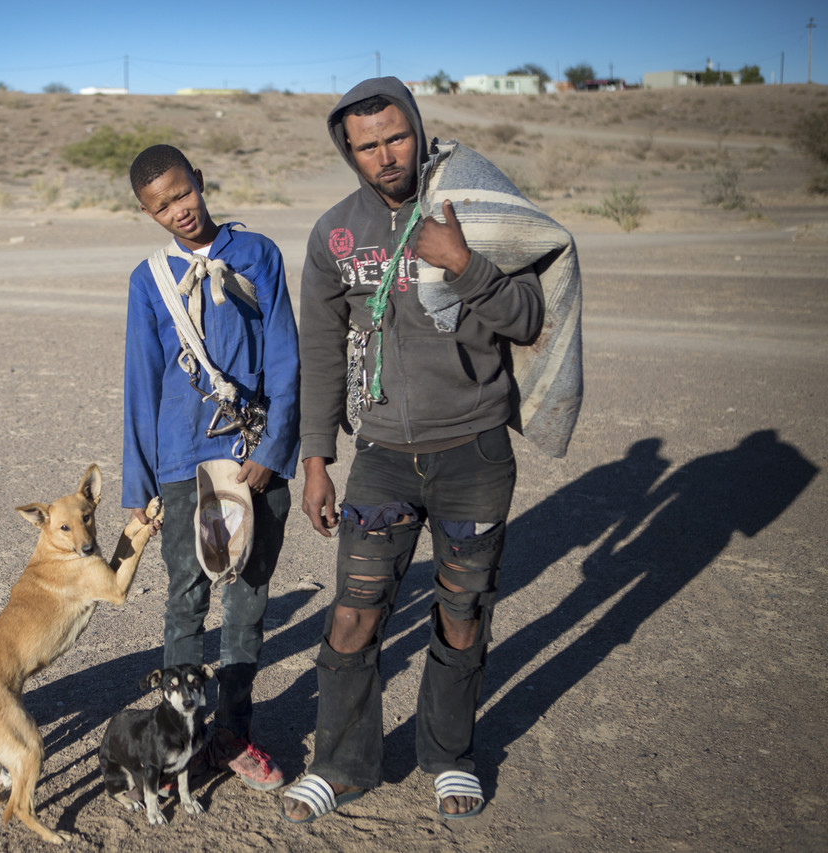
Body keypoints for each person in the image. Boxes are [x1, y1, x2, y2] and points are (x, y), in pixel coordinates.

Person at [280, 77, 548, 823]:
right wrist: (314, 460)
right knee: (353, 615)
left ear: (419, 130)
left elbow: (528, 318)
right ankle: (341, 765)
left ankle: (450, 755)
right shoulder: (334, 234)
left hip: (474, 453)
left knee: (463, 613)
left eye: (396, 137)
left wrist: (463, 262)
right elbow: (321, 350)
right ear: (348, 150)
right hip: (382, 457)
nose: (385, 155)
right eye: (366, 145)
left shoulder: (471, 206)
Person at [122, 144, 300, 791]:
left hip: (253, 456)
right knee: (185, 602)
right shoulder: (149, 279)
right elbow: (140, 382)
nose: (179, 211)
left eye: (182, 193)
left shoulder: (258, 254)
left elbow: (285, 357)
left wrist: (273, 450)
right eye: (161, 207)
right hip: (181, 462)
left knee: (247, 600)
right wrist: (139, 484)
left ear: (199, 180)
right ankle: (180, 743)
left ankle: (232, 733)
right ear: (148, 213)